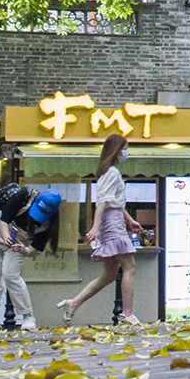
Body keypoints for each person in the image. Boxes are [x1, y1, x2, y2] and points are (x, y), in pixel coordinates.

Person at [60, 135, 138, 325]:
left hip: (113, 221)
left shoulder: (108, 172)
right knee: (130, 266)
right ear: (117, 150)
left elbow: (113, 201)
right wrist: (95, 227)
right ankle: (127, 313)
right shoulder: (112, 173)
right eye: (125, 148)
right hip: (112, 223)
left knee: (110, 274)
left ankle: (73, 302)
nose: (127, 152)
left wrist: (128, 219)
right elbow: (102, 202)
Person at [0, 184, 39, 330]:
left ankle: (28, 316)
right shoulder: (22, 197)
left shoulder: (46, 222)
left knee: (11, 275)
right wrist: (6, 237)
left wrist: (23, 249)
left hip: (18, 241)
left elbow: (35, 249)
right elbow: (3, 220)